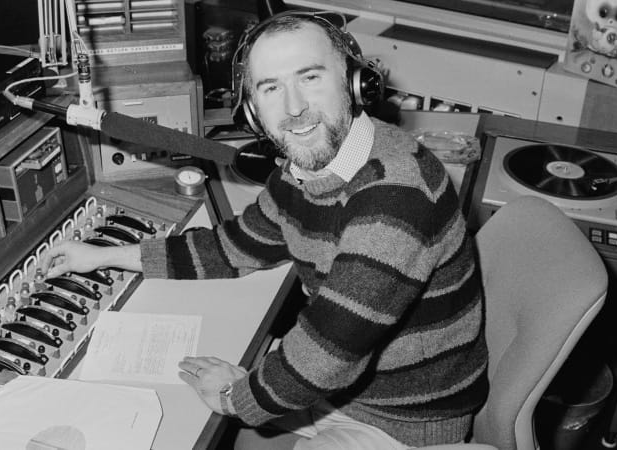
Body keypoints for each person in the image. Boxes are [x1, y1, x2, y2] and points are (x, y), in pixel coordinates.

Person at [41, 12, 488, 449]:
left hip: (405, 418)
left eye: (310, 77)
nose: (294, 109)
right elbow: (238, 245)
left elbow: (328, 354)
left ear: (355, 84)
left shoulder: (396, 196)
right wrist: (109, 255)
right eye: (271, 88)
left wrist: (235, 398)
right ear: (252, 110)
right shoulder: (303, 173)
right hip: (348, 389)